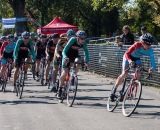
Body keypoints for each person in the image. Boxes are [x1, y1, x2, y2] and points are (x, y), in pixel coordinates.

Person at [110, 33, 156, 101]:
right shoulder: (137, 45)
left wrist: (151, 68)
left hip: (137, 59)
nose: (149, 46)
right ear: (142, 42)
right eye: (147, 44)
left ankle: (129, 92)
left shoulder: (150, 50)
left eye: (150, 44)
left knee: (138, 75)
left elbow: (153, 62)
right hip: (128, 57)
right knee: (124, 73)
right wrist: (130, 61)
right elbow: (127, 54)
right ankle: (114, 90)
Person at [57, 30, 89, 98]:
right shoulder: (72, 40)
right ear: (77, 37)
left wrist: (86, 61)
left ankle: (74, 75)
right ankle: (60, 89)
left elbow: (86, 53)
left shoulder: (84, 43)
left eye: (84, 38)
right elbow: (64, 51)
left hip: (75, 56)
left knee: (79, 60)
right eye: (81, 38)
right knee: (65, 72)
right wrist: (65, 57)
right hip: (67, 55)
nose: (83, 40)